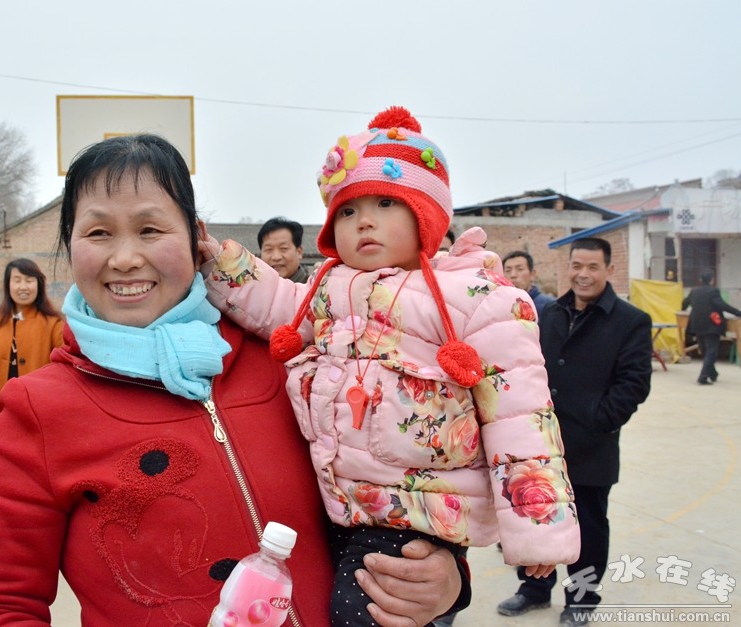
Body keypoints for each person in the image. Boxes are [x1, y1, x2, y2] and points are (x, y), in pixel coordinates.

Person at [0, 133, 470, 627]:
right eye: (98, 232)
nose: (125, 258)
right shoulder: (38, 409)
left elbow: (409, 477)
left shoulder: (293, 360)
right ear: (69, 244)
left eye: (151, 230)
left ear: (197, 237)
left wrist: (447, 576)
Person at [202, 106, 579, 626]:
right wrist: (216, 260)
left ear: (425, 214)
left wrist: (539, 530)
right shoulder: (329, 287)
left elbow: (521, 419)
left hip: (417, 513)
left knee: (362, 614)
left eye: (384, 203)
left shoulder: (477, 297)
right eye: (348, 211)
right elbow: (275, 303)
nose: (364, 221)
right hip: (338, 503)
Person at [497, 237, 652, 627]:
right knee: (537, 520)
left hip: (592, 445)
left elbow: (634, 384)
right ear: (567, 267)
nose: (583, 274)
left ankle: (582, 599)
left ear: (608, 270)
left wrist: (599, 420)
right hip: (541, 445)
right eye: (577, 266)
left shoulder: (630, 320)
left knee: (590, 529)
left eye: (593, 267)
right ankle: (533, 589)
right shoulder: (550, 313)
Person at [0, 258, 64, 434]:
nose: (23, 287)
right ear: (8, 285)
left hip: (39, 408)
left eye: (29, 280)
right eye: (17, 280)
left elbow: (64, 367)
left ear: (39, 284)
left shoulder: (53, 323)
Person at [681, 268, 741, 385]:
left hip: (697, 324)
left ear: (700, 279)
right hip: (712, 325)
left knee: (705, 351)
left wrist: (684, 308)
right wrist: (738, 312)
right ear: (712, 280)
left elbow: (685, 303)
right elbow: (721, 305)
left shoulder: (694, 291)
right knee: (711, 352)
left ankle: (713, 374)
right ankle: (703, 377)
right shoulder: (713, 291)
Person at [257, 217, 310, 283]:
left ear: (299, 252)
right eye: (269, 249)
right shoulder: (252, 288)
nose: (276, 257)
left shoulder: (315, 287)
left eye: (283, 248)